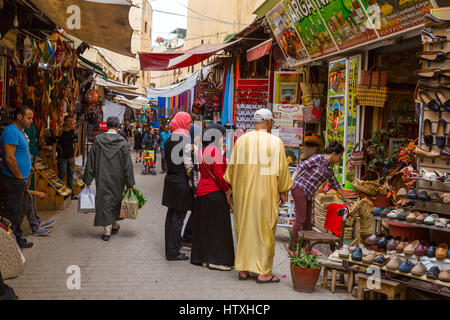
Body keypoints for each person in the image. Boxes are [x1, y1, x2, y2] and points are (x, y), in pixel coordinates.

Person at [224, 109, 292, 283]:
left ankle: (244, 269)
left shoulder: (241, 140)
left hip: (243, 195)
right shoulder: (275, 142)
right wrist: (284, 190)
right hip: (266, 195)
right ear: (269, 122)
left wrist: (231, 191)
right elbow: (282, 171)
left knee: (244, 230)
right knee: (265, 232)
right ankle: (264, 272)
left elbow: (230, 171)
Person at [290, 141, 353, 248]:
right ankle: (293, 245)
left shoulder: (329, 167)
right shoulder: (318, 158)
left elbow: (335, 184)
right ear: (334, 153)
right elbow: (301, 166)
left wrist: (347, 199)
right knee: (301, 218)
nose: (340, 158)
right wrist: (292, 179)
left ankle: (304, 245)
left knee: (307, 221)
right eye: (340, 155)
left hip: (308, 193)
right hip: (299, 188)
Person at [83, 116, 135, 241]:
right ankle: (112, 226)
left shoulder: (98, 141)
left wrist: (88, 179)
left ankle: (108, 229)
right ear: (118, 127)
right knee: (116, 200)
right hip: (118, 177)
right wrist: (130, 182)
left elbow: (91, 161)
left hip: (102, 176)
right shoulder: (122, 142)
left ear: (106, 126)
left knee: (104, 201)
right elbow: (128, 164)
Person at [191, 124, 234, 271]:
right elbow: (220, 177)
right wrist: (227, 191)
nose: (223, 138)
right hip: (215, 193)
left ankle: (204, 258)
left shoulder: (202, 150)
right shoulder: (215, 151)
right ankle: (217, 260)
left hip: (202, 192)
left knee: (205, 227)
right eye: (222, 135)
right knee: (218, 228)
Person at [162, 112, 198, 261]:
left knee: (171, 217)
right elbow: (188, 165)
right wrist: (195, 186)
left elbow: (165, 162)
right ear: (184, 122)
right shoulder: (184, 140)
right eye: (189, 122)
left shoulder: (170, 139)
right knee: (178, 217)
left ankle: (170, 248)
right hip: (181, 183)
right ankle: (173, 252)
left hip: (171, 181)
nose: (190, 125)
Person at [0, 106, 34, 248]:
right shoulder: (12, 132)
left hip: (19, 179)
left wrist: (28, 167)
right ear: (19, 117)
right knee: (12, 213)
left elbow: (19, 154)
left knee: (19, 211)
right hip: (13, 180)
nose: (31, 121)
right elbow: (9, 158)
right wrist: (19, 177)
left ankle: (17, 240)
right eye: (29, 118)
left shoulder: (19, 132)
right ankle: (8, 246)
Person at [181, 124, 202, 248]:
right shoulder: (191, 148)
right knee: (195, 211)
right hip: (192, 185)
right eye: (198, 135)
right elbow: (191, 169)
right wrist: (195, 187)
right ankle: (187, 237)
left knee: (194, 211)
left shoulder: (190, 145)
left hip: (190, 184)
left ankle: (188, 236)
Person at [52, 115, 79, 200]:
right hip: (62, 157)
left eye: (72, 121)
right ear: (65, 122)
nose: (71, 123)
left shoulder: (73, 132)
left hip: (71, 158)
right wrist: (54, 158)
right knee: (62, 175)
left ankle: (71, 194)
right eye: (70, 121)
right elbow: (54, 146)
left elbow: (76, 146)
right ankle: (62, 195)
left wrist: (74, 157)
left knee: (70, 176)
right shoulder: (59, 132)